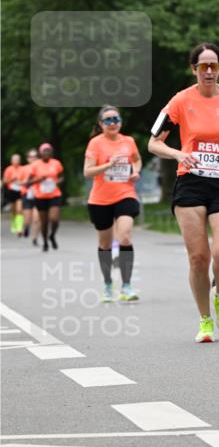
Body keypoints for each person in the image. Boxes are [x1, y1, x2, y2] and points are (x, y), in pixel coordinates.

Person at [148, 42, 219, 342]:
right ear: (194, 69)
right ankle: (205, 319)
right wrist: (179, 154)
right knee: (198, 258)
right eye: (203, 66)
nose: (209, 71)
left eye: (214, 66)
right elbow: (153, 142)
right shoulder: (180, 101)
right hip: (191, 182)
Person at [84, 105, 142, 302]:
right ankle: (108, 283)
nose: (113, 123)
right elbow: (87, 171)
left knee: (124, 236)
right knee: (105, 244)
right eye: (108, 120)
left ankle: (126, 285)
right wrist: (108, 165)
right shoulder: (95, 143)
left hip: (125, 194)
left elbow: (136, 160)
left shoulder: (129, 141)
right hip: (100, 199)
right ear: (101, 124)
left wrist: (135, 171)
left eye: (116, 119)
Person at [26, 144, 64, 251]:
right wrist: (38, 179)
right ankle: (45, 242)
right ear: (40, 153)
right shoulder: (35, 165)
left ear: (51, 152)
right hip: (40, 196)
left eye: (49, 151)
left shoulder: (56, 163)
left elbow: (62, 177)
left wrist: (58, 181)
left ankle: (52, 235)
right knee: (44, 222)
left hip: (54, 195)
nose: (47, 153)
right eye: (44, 151)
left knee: (54, 219)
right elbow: (27, 183)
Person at [20, 148, 39, 243]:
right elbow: (20, 182)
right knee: (27, 219)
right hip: (27, 195)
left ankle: (34, 237)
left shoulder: (41, 167)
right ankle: (26, 227)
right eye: (31, 157)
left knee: (36, 219)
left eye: (35, 156)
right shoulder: (24, 169)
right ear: (27, 158)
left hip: (38, 195)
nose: (33, 158)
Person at [3, 153, 24, 236]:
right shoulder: (8, 169)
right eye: (14, 159)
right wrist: (12, 179)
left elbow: (26, 180)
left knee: (19, 209)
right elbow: (4, 181)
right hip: (11, 191)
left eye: (17, 159)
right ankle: (13, 223)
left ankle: (19, 228)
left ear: (20, 160)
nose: (16, 161)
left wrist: (20, 182)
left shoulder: (23, 169)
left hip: (20, 191)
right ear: (11, 161)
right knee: (14, 210)